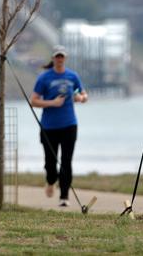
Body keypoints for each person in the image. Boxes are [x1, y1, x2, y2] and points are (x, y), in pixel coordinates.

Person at [30, 45, 88, 207]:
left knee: (66, 162)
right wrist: (52, 103)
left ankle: (64, 196)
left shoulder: (72, 76)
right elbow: (33, 101)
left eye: (62, 56)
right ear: (53, 58)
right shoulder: (44, 78)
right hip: (48, 127)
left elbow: (82, 93)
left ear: (65, 58)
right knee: (50, 162)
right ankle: (50, 181)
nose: (60, 59)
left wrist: (81, 98)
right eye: (57, 56)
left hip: (69, 125)